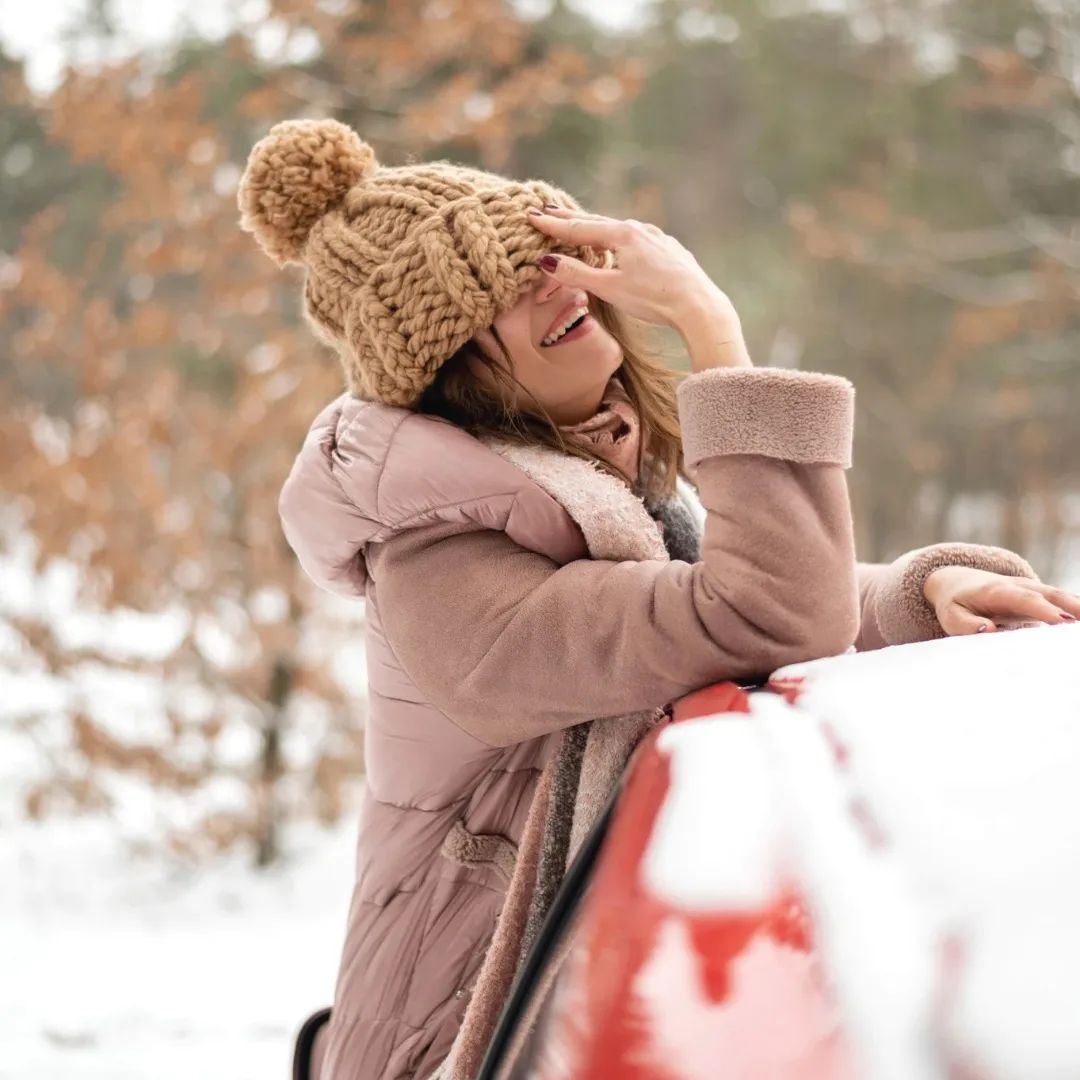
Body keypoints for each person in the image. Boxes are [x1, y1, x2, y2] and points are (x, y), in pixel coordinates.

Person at [237, 119, 1079, 1080]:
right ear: (442, 372)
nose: (551, 281)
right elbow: (758, 613)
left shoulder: (580, 482)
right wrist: (713, 330)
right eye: (500, 289)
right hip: (448, 1040)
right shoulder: (443, 571)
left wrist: (915, 594)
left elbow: (695, 606)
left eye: (544, 253)